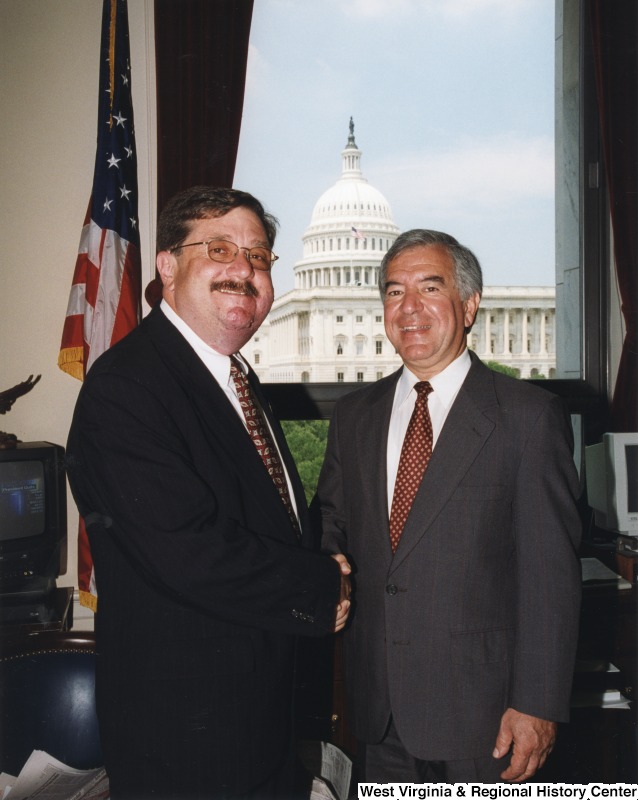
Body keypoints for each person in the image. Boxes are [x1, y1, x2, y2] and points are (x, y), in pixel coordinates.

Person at [66, 186, 351, 800]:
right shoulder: (128, 387)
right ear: (167, 267)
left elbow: (267, 520)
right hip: (187, 738)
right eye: (219, 249)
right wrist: (324, 584)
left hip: (257, 721)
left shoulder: (235, 379)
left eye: (259, 256)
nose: (244, 270)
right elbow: (187, 551)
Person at [317, 229, 582, 784]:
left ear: (469, 305)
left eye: (429, 288)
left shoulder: (528, 417)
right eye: (393, 292)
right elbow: (333, 531)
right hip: (378, 713)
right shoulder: (354, 417)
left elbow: (549, 575)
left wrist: (539, 704)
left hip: (487, 719)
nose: (408, 308)